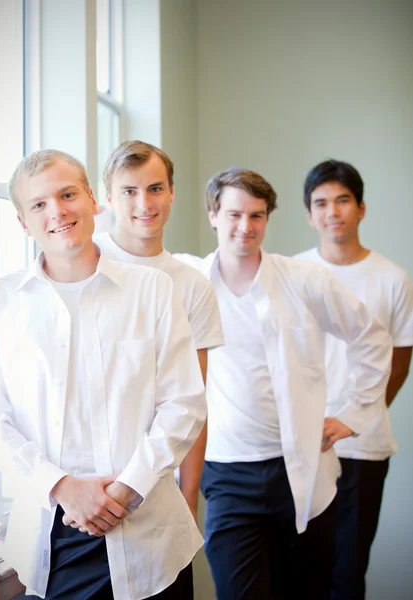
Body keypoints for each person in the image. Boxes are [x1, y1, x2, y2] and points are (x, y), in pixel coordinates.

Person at [0, 149, 206, 600]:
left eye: (67, 194)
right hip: (51, 540)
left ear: (92, 199)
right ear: (22, 222)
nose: (57, 211)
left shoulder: (152, 290)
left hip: (151, 539)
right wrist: (61, 487)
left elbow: (184, 404)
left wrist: (126, 489)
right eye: (38, 204)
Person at [175, 167, 392, 600]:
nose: (245, 227)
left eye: (257, 216)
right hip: (227, 474)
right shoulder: (189, 283)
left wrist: (354, 414)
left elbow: (372, 337)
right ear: (213, 214)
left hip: (302, 473)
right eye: (235, 214)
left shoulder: (303, 279)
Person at [296, 159, 413, 600]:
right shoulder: (293, 272)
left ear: (361, 208)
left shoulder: (392, 279)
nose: (332, 212)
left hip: (363, 449)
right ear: (309, 214)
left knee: (347, 572)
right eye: (321, 203)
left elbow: (398, 362)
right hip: (301, 448)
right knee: (301, 570)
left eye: (342, 200)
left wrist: (358, 416)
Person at [92, 140, 224, 523]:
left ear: (171, 193)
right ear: (108, 198)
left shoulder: (193, 285)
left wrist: (189, 495)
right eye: (129, 191)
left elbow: (194, 403)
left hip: (158, 486)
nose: (144, 204)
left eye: (154, 189)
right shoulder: (84, 263)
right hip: (88, 485)